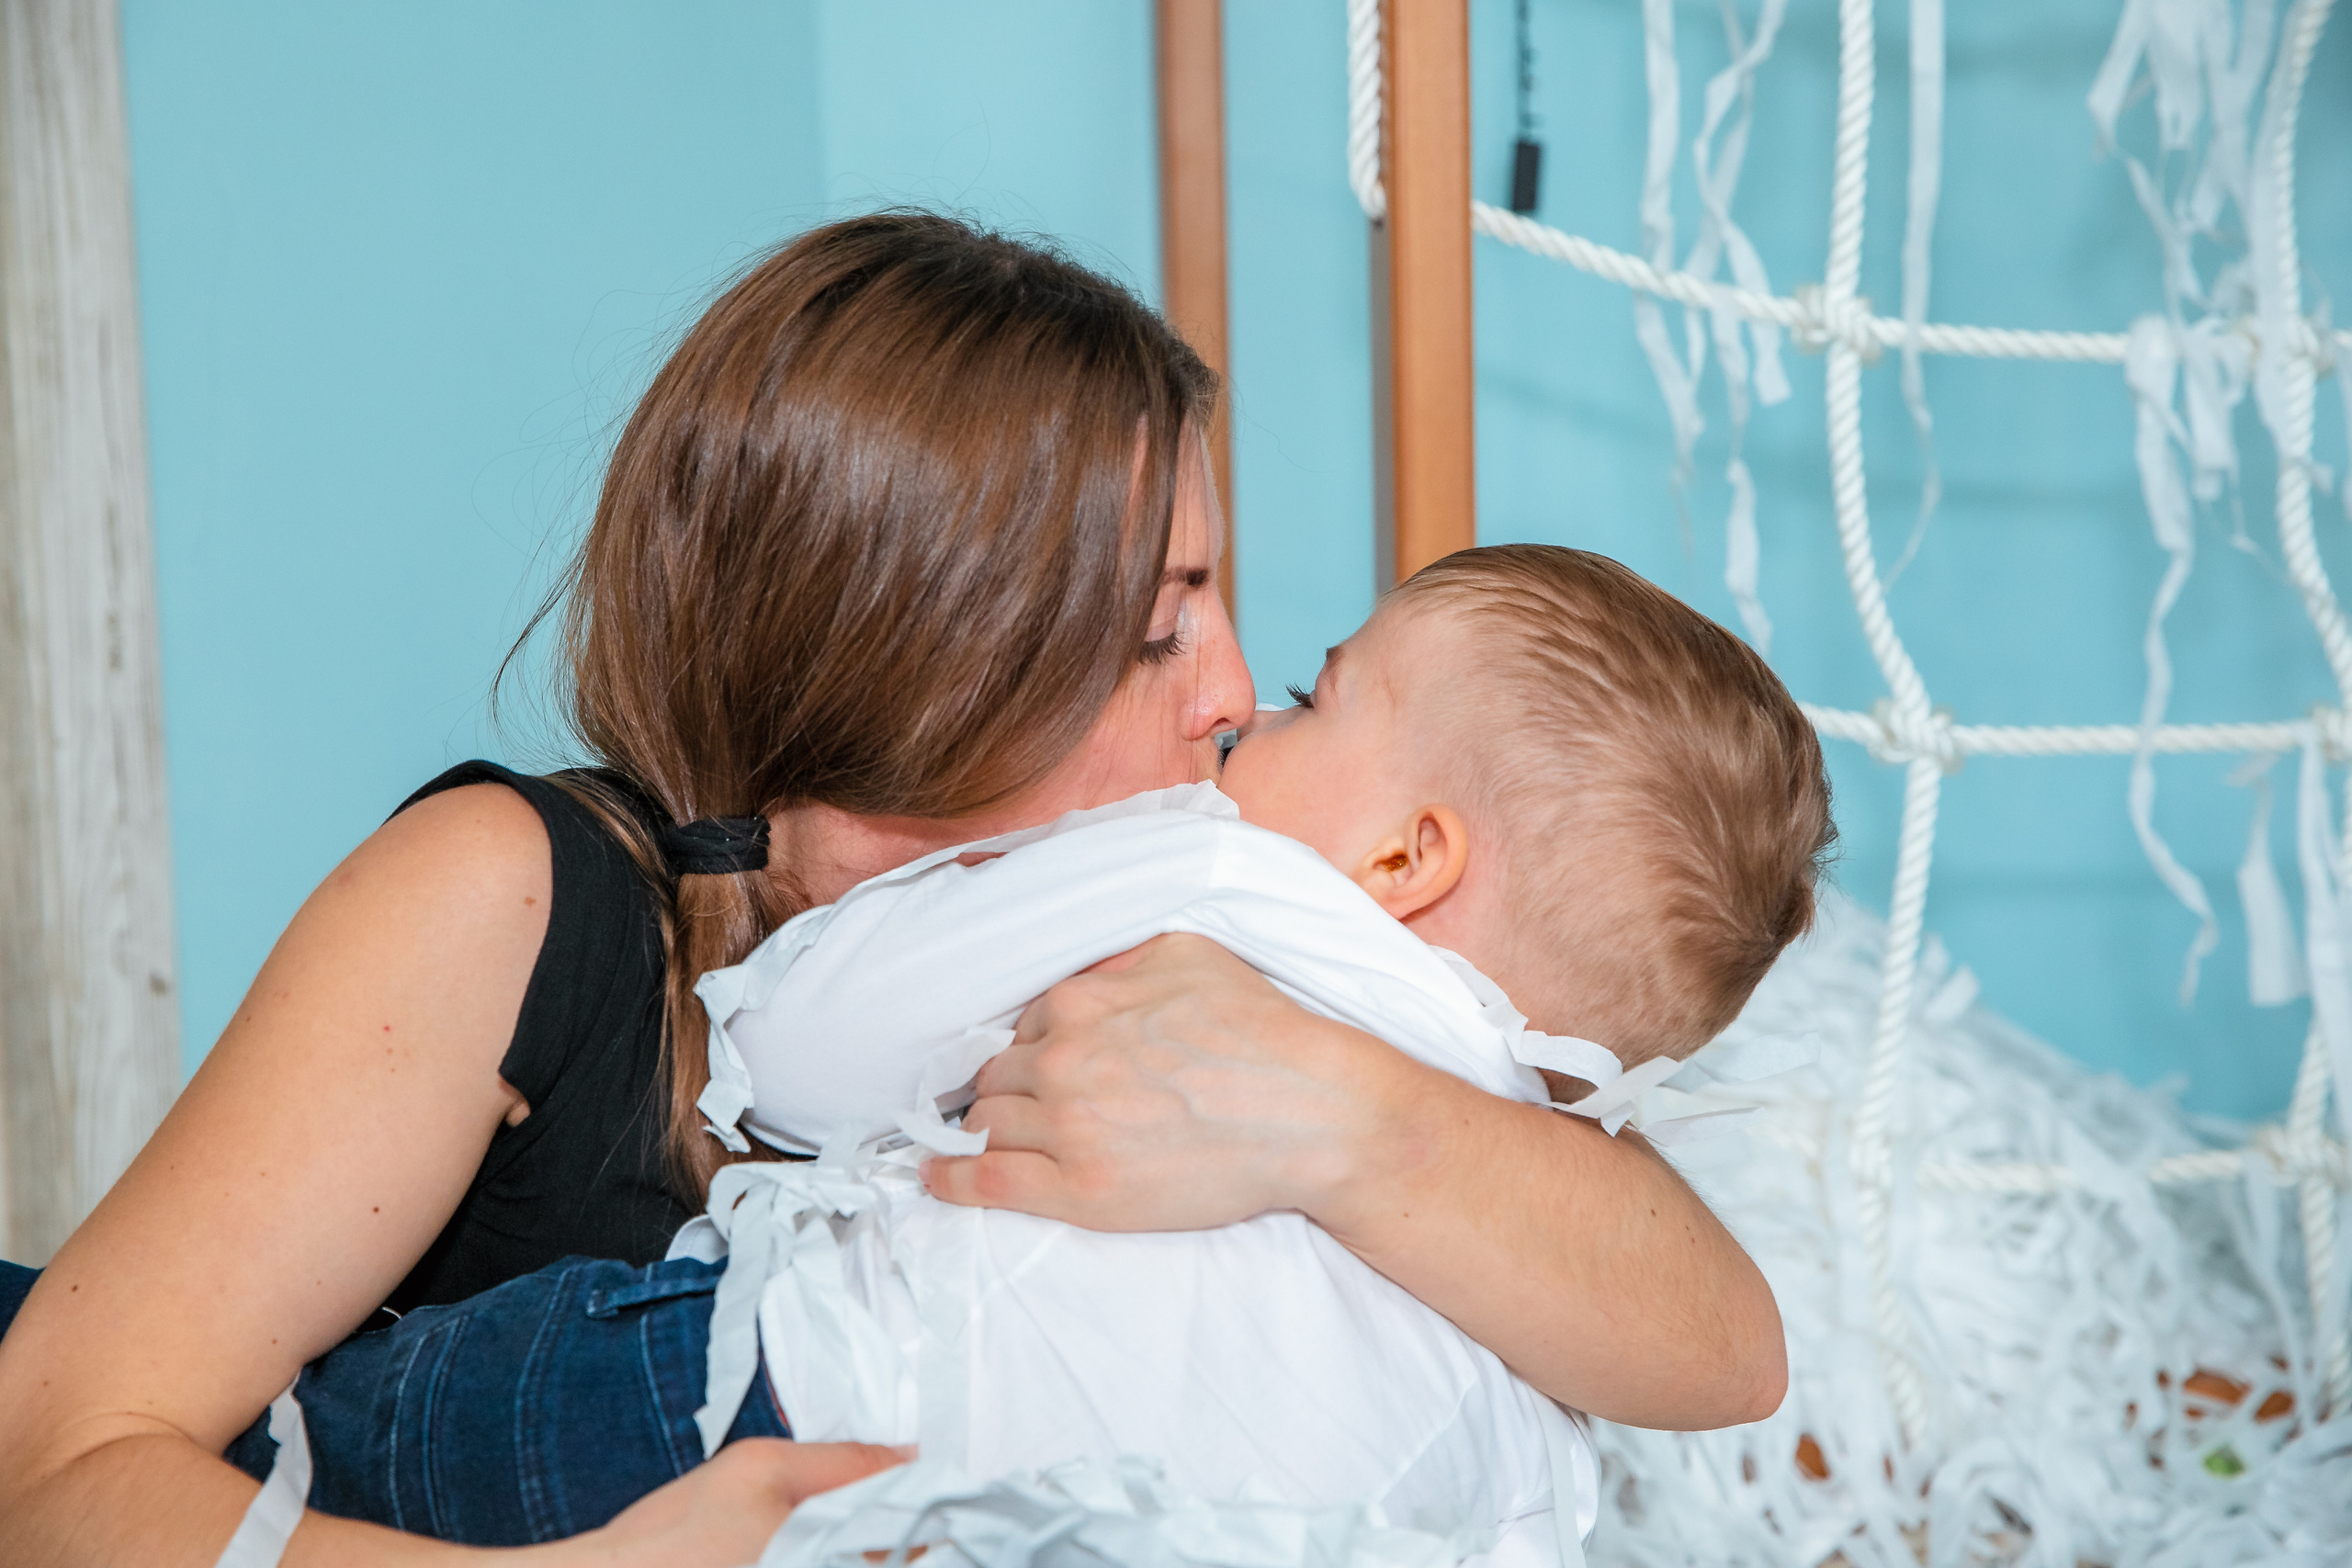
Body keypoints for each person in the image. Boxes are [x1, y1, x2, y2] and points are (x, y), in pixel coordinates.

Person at [0, 213, 1785, 1566]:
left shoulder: (1209, 955)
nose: (1236, 693)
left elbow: (1716, 1338)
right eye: (1162, 625)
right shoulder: (511, 898)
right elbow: (57, 1461)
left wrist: (1351, 1117)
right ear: (929, 653)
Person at [658, 543, 1832, 1563]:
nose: (1238, 713)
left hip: (766, 1399)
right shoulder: (1527, 1342)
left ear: (1405, 860)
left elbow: (787, 1054)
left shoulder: (1211, 870)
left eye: (1305, 701)